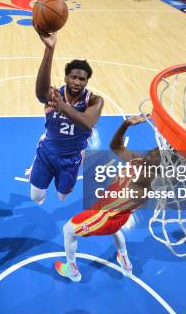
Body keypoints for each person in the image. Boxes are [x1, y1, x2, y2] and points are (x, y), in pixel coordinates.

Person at [55, 116, 160, 282]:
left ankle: (72, 271)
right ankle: (125, 261)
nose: (153, 152)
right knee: (115, 230)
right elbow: (116, 146)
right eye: (155, 150)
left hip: (103, 216)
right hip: (117, 214)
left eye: (157, 155)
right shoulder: (140, 161)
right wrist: (125, 124)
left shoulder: (146, 182)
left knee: (68, 230)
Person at [30, 31, 104, 204]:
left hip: (71, 157)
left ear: (87, 82)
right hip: (47, 152)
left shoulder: (94, 100)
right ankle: (36, 168)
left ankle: (64, 177)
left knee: (63, 196)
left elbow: (88, 123)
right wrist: (49, 49)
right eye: (74, 77)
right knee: (36, 197)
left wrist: (63, 107)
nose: (77, 82)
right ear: (66, 78)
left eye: (82, 79)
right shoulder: (54, 94)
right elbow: (40, 93)